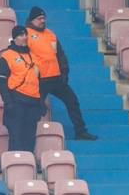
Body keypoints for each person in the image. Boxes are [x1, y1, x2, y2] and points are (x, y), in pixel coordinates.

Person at [26, 7, 95, 140]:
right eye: (39, 19)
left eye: (43, 18)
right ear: (32, 20)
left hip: (56, 79)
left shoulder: (50, 33)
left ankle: (80, 131)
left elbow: (60, 55)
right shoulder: (26, 34)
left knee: (73, 101)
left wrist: (64, 73)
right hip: (40, 81)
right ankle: (29, 136)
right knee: (34, 109)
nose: (42, 21)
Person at [0, 25, 41, 153]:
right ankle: (15, 168)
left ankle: (26, 168)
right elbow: (0, 80)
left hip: (33, 103)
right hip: (16, 102)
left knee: (29, 141)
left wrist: (40, 103)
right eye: (21, 35)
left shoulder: (33, 55)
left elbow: (39, 80)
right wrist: (8, 102)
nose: (25, 37)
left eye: (26, 34)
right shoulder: (7, 55)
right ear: (15, 38)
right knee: (16, 139)